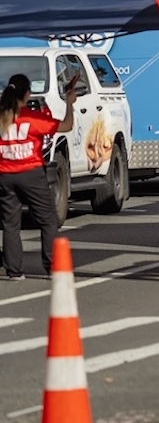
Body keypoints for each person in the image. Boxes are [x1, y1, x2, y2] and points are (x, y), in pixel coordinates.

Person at [0, 73, 77, 280]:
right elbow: (66, 125)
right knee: (47, 220)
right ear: (27, 94)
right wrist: (69, 103)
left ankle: (14, 271)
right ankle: (52, 267)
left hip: (5, 175)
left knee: (10, 224)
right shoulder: (33, 117)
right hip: (31, 173)